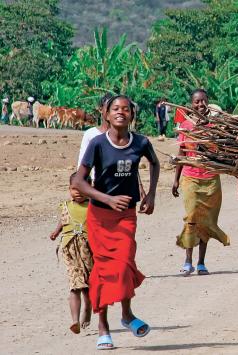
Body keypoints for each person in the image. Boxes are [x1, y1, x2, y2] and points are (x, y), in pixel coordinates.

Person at [73, 94, 160, 350]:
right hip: (100, 216)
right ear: (107, 114)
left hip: (126, 215)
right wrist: (107, 199)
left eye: (126, 109)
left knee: (123, 265)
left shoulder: (141, 142)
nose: (121, 112)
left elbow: (154, 163)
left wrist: (151, 194)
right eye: (115, 109)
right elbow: (78, 181)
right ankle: (104, 327)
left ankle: (127, 314)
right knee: (103, 270)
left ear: (132, 114)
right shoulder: (97, 143)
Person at [172, 89, 230, 276]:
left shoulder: (215, 126)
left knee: (207, 221)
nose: (200, 105)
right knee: (192, 219)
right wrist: (175, 179)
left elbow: (222, 153)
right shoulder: (186, 126)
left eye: (203, 101)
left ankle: (202, 262)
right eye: (196, 102)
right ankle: (188, 260)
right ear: (191, 104)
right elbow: (182, 153)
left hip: (211, 180)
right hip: (190, 178)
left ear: (208, 102)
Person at [48, 173, 94, 335]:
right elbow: (63, 219)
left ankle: (87, 308)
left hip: (89, 250)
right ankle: (74, 320)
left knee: (88, 287)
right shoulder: (65, 205)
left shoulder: (93, 206)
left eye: (82, 188)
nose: (78, 192)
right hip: (70, 249)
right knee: (75, 286)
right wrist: (56, 231)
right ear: (69, 189)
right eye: (74, 189)